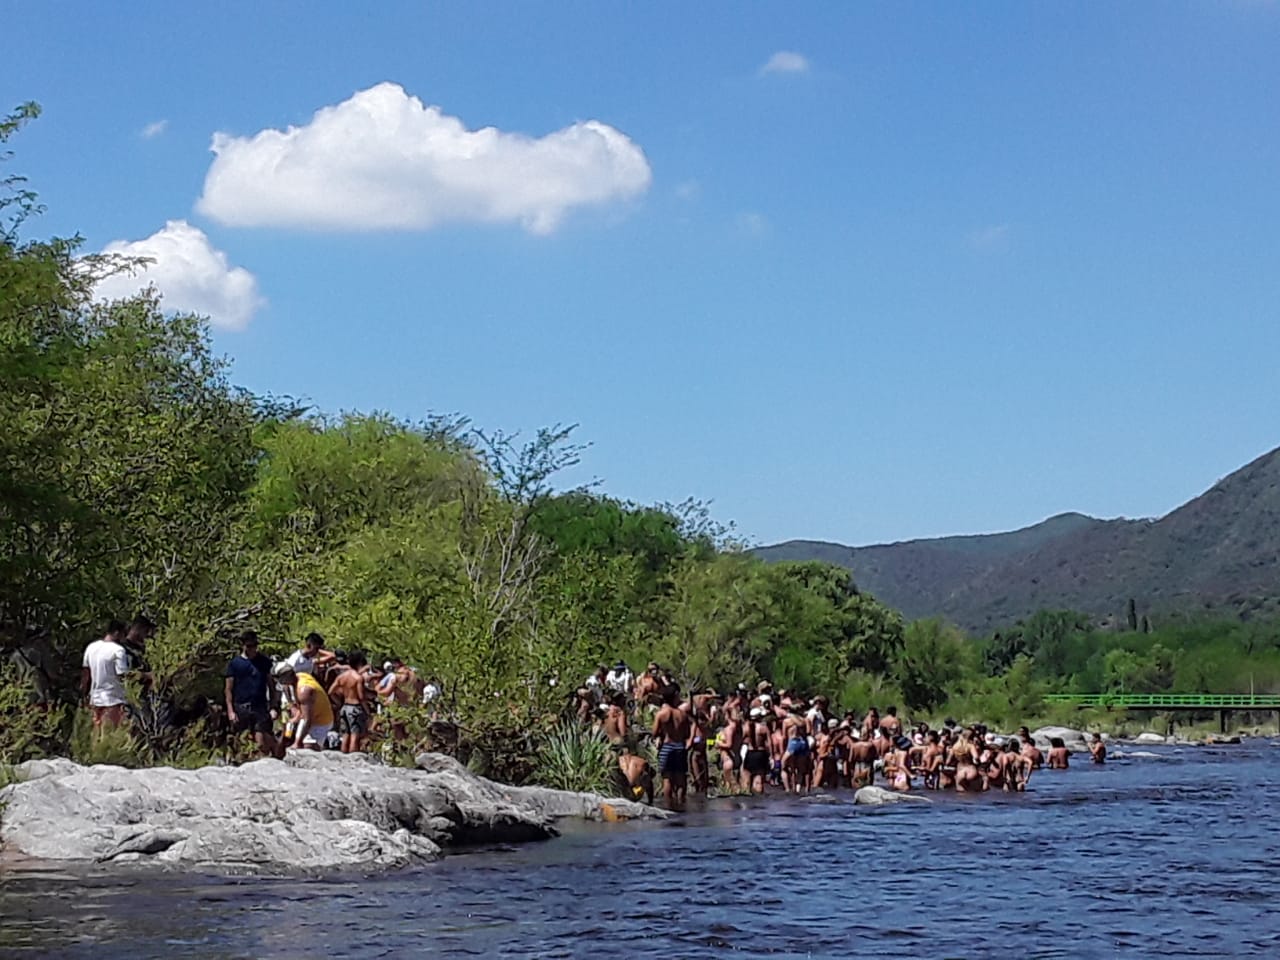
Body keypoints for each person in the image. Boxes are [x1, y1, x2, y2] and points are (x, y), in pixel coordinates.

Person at [223, 631, 277, 756]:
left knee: (262, 739)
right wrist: (231, 711)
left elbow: (271, 685)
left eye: (254, 646)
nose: (252, 649)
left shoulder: (264, 662)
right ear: (243, 645)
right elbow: (228, 689)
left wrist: (273, 706)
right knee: (242, 739)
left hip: (260, 706)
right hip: (241, 707)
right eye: (249, 646)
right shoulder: (235, 664)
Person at [82, 620, 130, 731]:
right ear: (117, 633)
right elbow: (122, 675)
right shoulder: (118, 650)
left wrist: (84, 695)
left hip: (95, 699)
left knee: (97, 735)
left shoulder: (91, 647)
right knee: (111, 734)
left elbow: (86, 674)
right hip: (113, 700)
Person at [273, 662, 333, 751]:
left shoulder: (304, 691)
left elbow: (307, 719)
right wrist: (296, 714)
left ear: (286, 676)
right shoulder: (300, 675)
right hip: (311, 715)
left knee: (308, 748)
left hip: (320, 721)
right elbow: (287, 687)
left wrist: (297, 742)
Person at [652, 684, 691, 809]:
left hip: (667, 747)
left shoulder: (661, 714)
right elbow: (687, 734)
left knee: (667, 778)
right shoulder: (682, 714)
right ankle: (681, 804)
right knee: (681, 777)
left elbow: (654, 732)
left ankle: (669, 806)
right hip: (680, 746)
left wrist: (662, 734)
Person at [329, 650, 371, 753]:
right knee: (355, 735)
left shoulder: (341, 677)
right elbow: (361, 697)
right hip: (355, 707)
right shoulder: (358, 678)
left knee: (345, 734)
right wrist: (368, 711)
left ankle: (344, 757)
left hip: (345, 706)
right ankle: (354, 760)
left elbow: (330, 692)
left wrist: (338, 702)